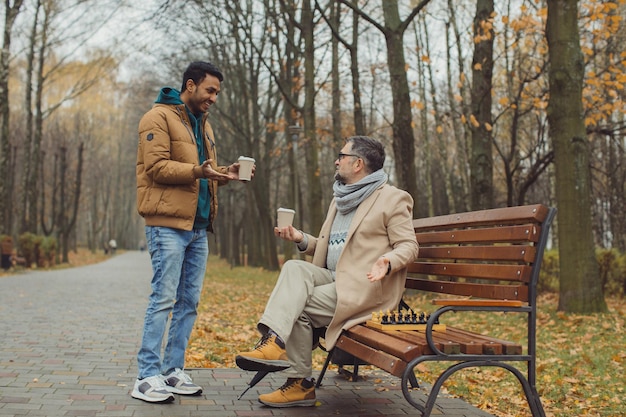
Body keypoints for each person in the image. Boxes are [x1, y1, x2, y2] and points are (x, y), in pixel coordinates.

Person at [235, 135, 419, 408]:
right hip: (334, 279)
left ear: (358, 164)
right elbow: (333, 247)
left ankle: (298, 381)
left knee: (299, 305)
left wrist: (387, 261)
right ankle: (275, 342)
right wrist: (300, 238)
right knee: (295, 268)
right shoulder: (340, 200)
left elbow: (409, 246)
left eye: (341, 155)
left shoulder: (392, 199)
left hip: (365, 288)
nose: (336, 160)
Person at [134, 61, 251, 403]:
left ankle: (172, 371)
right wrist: (200, 171)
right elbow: (156, 168)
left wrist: (223, 173)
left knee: (188, 303)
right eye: (210, 90)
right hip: (167, 226)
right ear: (190, 85)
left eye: (217, 92)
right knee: (163, 300)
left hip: (198, 229)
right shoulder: (157, 118)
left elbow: (201, 173)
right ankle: (146, 375)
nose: (214, 98)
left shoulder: (205, 125)